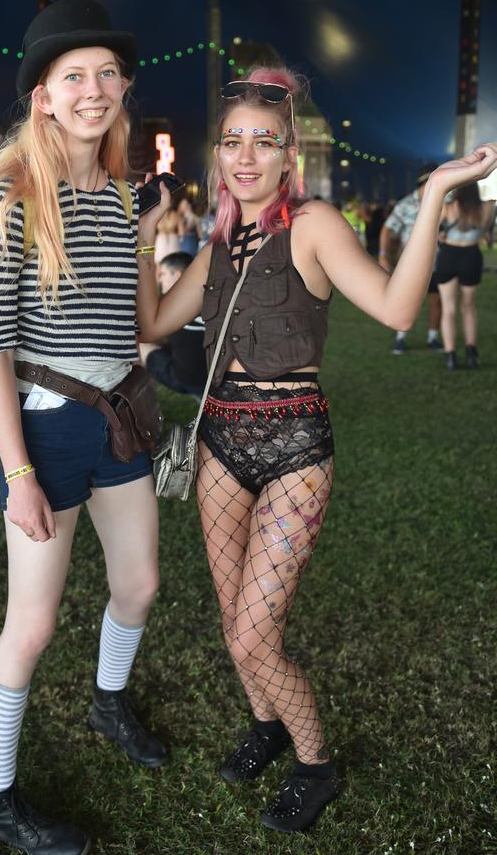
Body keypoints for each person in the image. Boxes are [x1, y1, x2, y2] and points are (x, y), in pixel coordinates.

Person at [135, 68, 496, 834]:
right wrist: (144, 237)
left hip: (295, 442)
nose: (245, 155)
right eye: (231, 140)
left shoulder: (317, 224)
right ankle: (265, 725)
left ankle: (313, 763)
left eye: (263, 142)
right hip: (219, 442)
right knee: (233, 615)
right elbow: (155, 326)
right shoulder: (223, 237)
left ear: (288, 152)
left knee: (253, 633)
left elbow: (399, 306)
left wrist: (432, 196)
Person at [0, 0, 166, 855]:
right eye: (74, 76)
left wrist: (152, 237)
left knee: (140, 586)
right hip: (46, 436)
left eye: (107, 74)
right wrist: (17, 476)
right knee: (33, 625)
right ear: (43, 95)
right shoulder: (9, 200)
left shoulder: (122, 200)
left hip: (121, 423)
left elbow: (144, 328)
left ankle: (107, 700)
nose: (95, 89)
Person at [379, 165, 443, 354]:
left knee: (436, 301)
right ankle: (400, 339)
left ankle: (433, 338)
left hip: (438, 262)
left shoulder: (444, 201)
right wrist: (383, 255)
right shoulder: (405, 204)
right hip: (410, 266)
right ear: (426, 182)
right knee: (406, 302)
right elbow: (387, 229)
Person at [435, 183, 495, 370]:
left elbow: (435, 231)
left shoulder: (449, 206)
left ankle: (450, 355)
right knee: (469, 307)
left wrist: (441, 236)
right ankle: (471, 354)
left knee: (448, 309)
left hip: (448, 256)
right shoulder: (487, 208)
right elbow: (487, 235)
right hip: (471, 256)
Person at [139, 252, 205, 398]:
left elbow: (145, 333)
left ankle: (142, 401)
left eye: (163, 274)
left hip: (189, 382)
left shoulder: (173, 308)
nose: (159, 280)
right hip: (214, 380)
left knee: (140, 345)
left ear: (178, 276)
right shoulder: (207, 299)